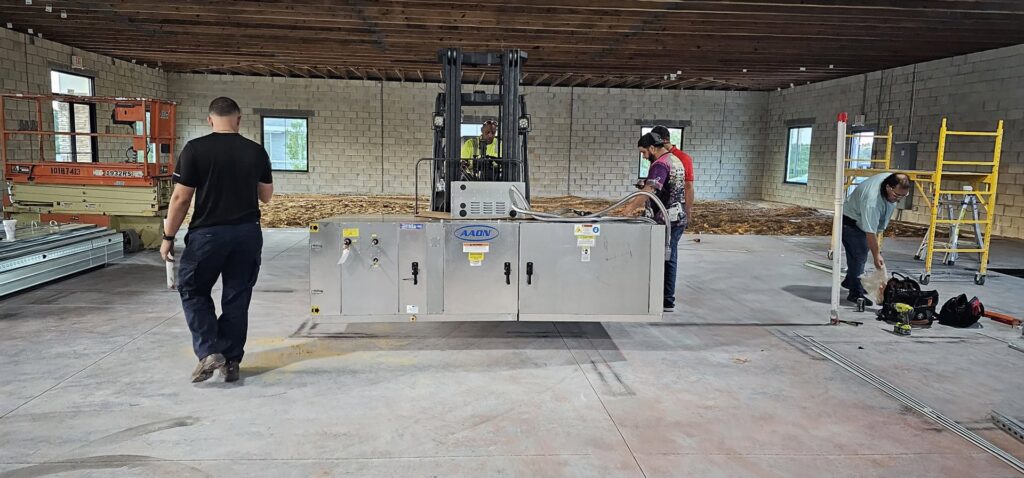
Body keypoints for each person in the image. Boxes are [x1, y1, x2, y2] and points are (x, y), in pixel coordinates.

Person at [161, 97, 274, 384]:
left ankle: (210, 350)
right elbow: (266, 196)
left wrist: (168, 237)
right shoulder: (256, 151)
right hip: (247, 233)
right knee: (237, 297)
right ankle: (231, 360)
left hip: (208, 234)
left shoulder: (196, 149)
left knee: (193, 289)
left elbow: (181, 198)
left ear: (210, 120)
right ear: (238, 120)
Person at [622, 131, 688, 312]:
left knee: (666, 258)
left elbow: (649, 190)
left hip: (667, 219)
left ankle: (666, 300)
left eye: (644, 152)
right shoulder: (674, 160)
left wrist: (629, 209)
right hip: (677, 216)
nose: (644, 157)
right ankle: (664, 298)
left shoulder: (660, 164)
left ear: (652, 148)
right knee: (669, 256)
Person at [841, 172, 911, 305]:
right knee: (859, 254)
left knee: (860, 253)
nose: (898, 199)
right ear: (888, 187)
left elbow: (876, 227)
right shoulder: (872, 201)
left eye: (903, 195)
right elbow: (870, 232)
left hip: (861, 219)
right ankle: (855, 293)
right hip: (850, 221)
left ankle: (850, 281)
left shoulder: (892, 181)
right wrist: (876, 255)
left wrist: (876, 249)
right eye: (896, 195)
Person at [651, 125, 695, 222]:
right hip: (659, 204)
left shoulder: (683, 158)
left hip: (675, 207)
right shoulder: (657, 158)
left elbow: (688, 186)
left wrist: (688, 211)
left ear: (665, 140)